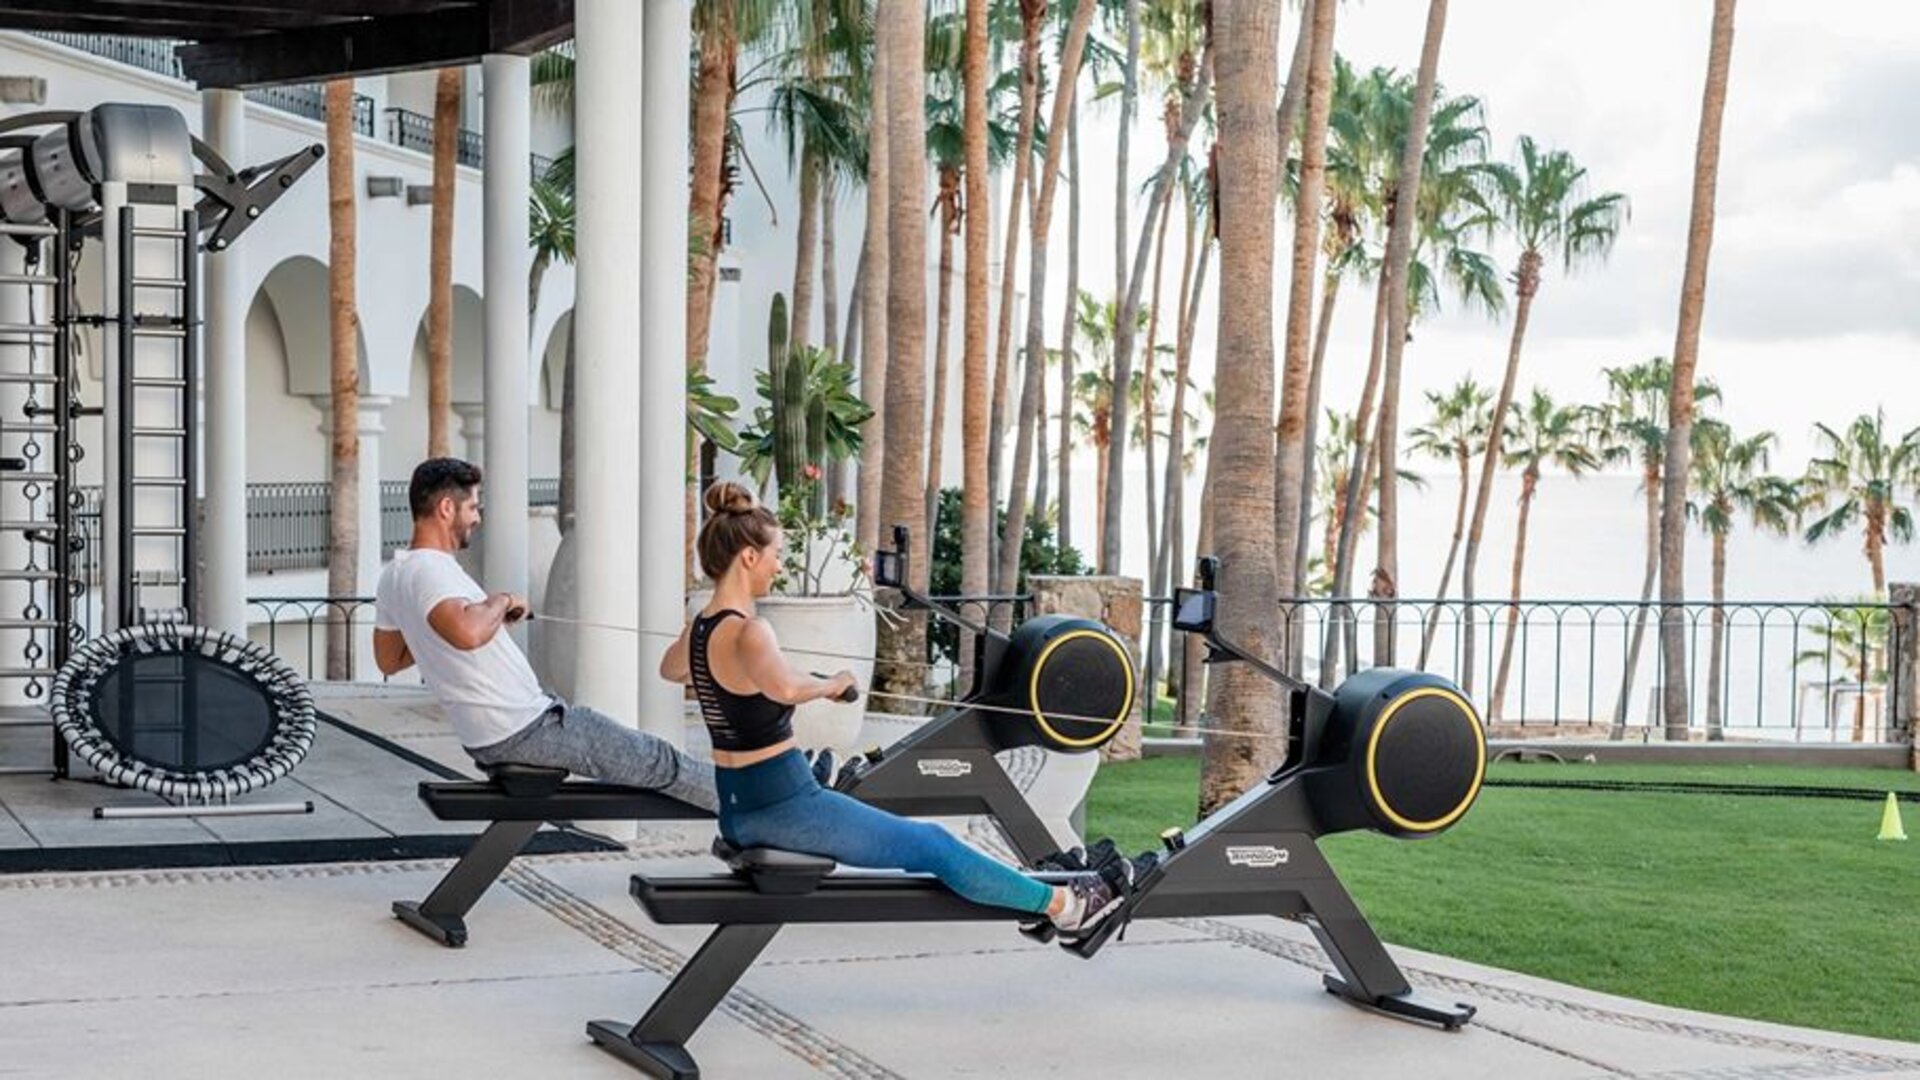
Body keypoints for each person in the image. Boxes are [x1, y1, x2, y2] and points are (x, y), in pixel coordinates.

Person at [659, 480, 1132, 937]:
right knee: (933, 845)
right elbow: (783, 687)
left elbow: (674, 670)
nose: (777, 566)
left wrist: (730, 677)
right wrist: (833, 685)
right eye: (776, 554)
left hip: (742, 808)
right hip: (786, 807)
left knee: (901, 831)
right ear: (748, 556)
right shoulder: (751, 631)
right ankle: (1068, 907)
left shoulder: (702, 629)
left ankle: (1027, 892)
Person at [373, 457, 716, 812]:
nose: (477, 517)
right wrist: (500, 600)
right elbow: (467, 634)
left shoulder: (395, 574)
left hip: (509, 728)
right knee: (659, 761)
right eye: (472, 507)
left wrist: (487, 619)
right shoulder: (430, 570)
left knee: (651, 761)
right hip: (524, 728)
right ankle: (757, 811)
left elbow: (390, 658)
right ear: (446, 508)